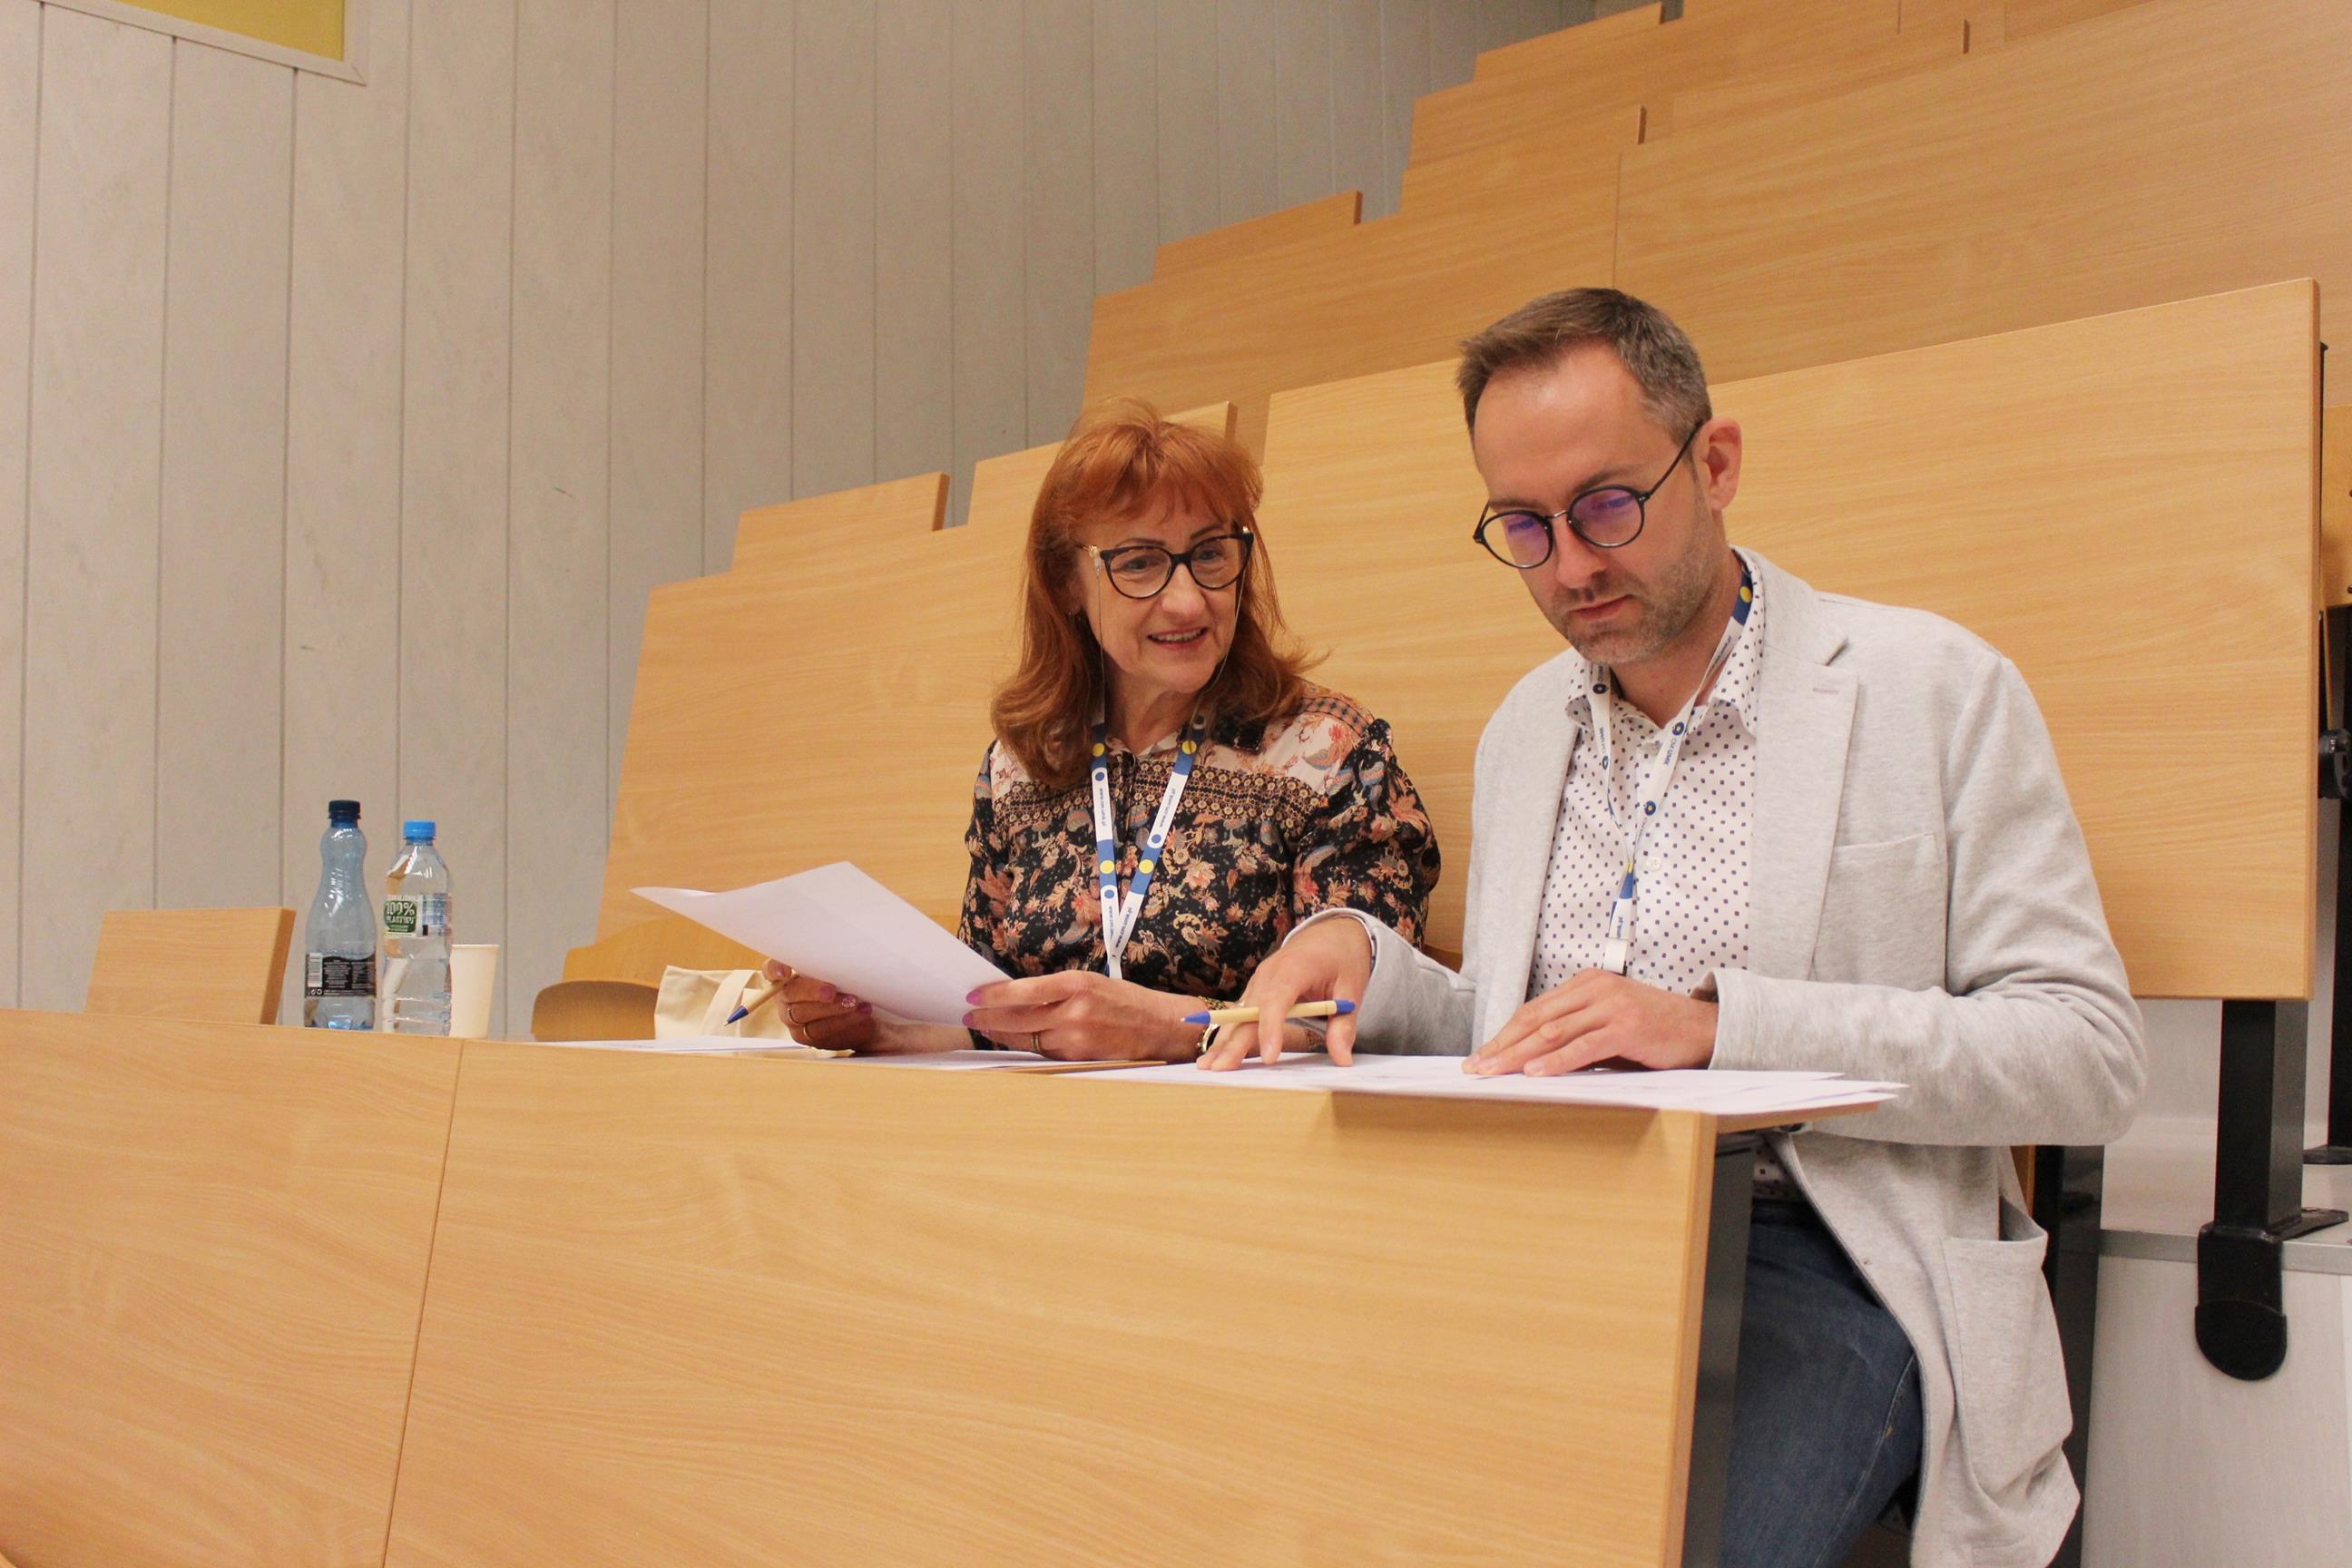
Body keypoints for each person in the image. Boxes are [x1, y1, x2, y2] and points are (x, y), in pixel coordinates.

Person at [1211, 289, 2146, 1568]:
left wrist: (1721, 1031)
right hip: (1548, 1235)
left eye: (1608, 506)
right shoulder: (1526, 726)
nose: (1571, 568)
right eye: (1525, 528)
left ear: (1715, 464)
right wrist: (1361, 957)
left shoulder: (1931, 688)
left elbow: (2087, 1056)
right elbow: (1521, 1026)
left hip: (1825, 1256)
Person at [772, 401, 1440, 1061]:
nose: (1188, 600)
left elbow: (1366, 1017)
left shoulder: (1328, 751)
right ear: (1066, 582)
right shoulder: (1021, 765)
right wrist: (882, 1030)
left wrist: (1170, 1029)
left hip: (1245, 1119)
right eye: (1140, 563)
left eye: (1210, 554)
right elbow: (988, 1019)